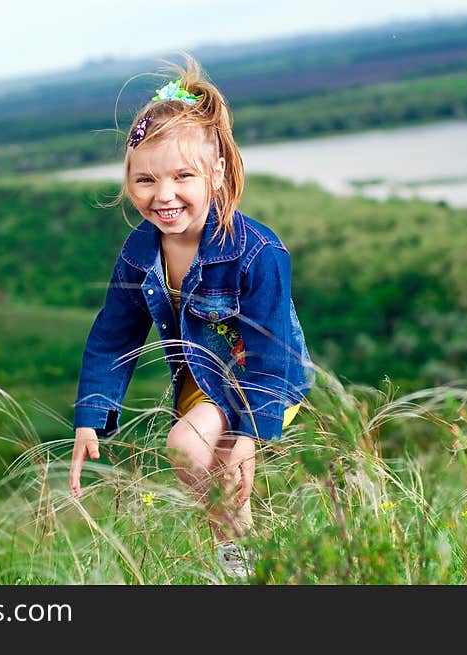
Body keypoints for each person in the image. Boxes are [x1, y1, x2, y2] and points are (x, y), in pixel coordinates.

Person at [68, 55, 313, 580]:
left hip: (262, 376)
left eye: (183, 176)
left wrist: (250, 433)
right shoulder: (140, 253)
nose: (163, 195)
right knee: (218, 481)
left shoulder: (258, 252)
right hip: (201, 383)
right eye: (145, 180)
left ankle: (245, 557)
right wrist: (91, 413)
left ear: (217, 173)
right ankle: (249, 560)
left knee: (188, 448)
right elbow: (113, 337)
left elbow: (274, 354)